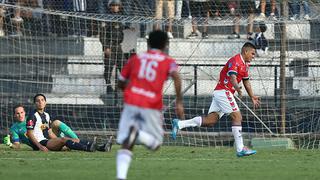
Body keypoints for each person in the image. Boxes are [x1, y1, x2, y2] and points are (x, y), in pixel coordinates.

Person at [115, 30, 185, 180]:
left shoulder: (135, 59)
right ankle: (138, 134)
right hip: (151, 105)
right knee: (156, 144)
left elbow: (120, 82)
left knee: (128, 141)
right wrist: (179, 102)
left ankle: (121, 176)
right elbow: (177, 77)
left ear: (148, 43)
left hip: (131, 101)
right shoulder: (167, 61)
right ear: (166, 44)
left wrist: (132, 88)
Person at [171, 42, 260, 157]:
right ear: (245, 51)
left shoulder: (245, 65)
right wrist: (237, 87)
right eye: (252, 53)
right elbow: (232, 76)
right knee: (237, 117)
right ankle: (240, 149)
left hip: (222, 93)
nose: (254, 56)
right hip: (224, 91)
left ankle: (180, 124)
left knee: (210, 121)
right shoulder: (235, 60)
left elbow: (246, 81)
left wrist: (252, 96)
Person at [25, 93, 112, 152]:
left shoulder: (47, 115)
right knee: (64, 139)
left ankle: (102, 147)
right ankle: (87, 148)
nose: (40, 102)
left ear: (45, 102)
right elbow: (29, 134)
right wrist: (40, 147)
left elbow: (49, 132)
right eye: (38, 101)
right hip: (40, 143)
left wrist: (57, 140)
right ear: (35, 103)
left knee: (74, 140)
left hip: (47, 141)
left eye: (42, 100)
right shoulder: (32, 116)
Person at [99, 0, 125, 93]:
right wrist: (106, 47)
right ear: (110, 7)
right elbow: (102, 34)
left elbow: (120, 29)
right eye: (113, 5)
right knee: (109, 67)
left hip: (118, 46)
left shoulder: (120, 17)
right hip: (109, 45)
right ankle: (108, 86)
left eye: (117, 5)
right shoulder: (106, 18)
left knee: (123, 66)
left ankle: (122, 87)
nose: (115, 7)